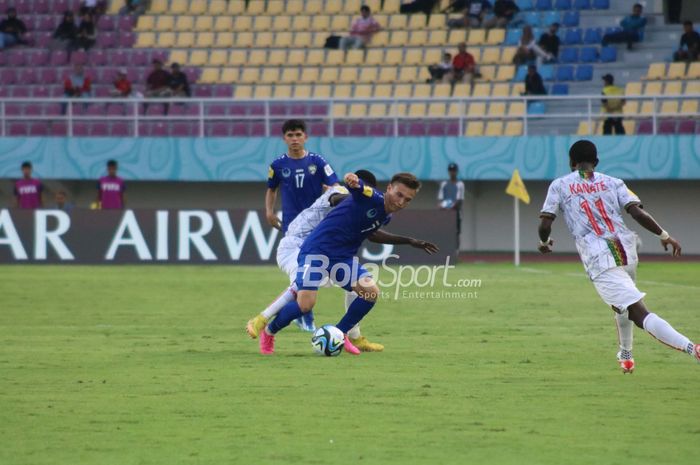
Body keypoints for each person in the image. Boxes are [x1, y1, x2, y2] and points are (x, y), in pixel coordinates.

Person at [538, 140, 700, 373]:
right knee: (622, 304)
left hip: (598, 256)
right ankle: (626, 354)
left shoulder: (560, 185)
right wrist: (664, 235)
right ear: (596, 162)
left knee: (636, 311)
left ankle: (692, 348)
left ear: (571, 162)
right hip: (625, 248)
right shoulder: (614, 182)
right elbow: (637, 212)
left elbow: (545, 223)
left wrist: (544, 243)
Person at [247, 170, 439, 353]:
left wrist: (410, 241)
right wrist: (352, 180)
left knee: (370, 292)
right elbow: (358, 186)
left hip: (342, 257)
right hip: (317, 251)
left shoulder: (386, 215)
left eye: (407, 200)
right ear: (389, 188)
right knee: (306, 304)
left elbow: (373, 234)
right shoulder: (371, 196)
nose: (401, 202)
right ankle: (270, 331)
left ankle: (339, 334)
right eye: (399, 194)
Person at [265, 119, 340, 331]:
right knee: (302, 271)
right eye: (290, 135)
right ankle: (305, 314)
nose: (295, 139)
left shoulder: (318, 161)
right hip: (292, 228)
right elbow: (272, 189)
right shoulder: (278, 165)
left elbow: (335, 187)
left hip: (317, 226)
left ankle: (301, 312)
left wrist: (330, 194)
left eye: (298, 135)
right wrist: (269, 212)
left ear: (305, 137)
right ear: (284, 139)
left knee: (309, 271)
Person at [438, 163, 465, 249]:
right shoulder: (444, 184)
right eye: (450, 170)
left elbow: (459, 200)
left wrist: (450, 207)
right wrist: (442, 206)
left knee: (456, 234)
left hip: (456, 213)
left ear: (456, 172)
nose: (452, 172)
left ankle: (455, 253)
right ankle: (446, 251)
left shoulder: (460, 184)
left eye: (454, 170)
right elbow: (440, 198)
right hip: (446, 213)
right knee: (445, 233)